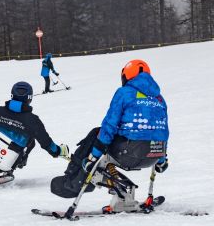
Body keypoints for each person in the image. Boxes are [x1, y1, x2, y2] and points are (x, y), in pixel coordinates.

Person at [50, 59, 169, 213]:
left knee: (96, 134)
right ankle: (123, 194)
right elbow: (162, 130)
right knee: (108, 138)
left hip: (130, 152)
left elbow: (110, 124)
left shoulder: (124, 93)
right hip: (153, 154)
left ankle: (74, 179)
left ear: (126, 76)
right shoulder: (160, 99)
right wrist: (161, 159)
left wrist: (94, 156)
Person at [0, 81, 69, 186]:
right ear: (30, 98)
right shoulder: (33, 120)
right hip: (7, 161)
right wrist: (57, 151)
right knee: (31, 141)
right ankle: (17, 163)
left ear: (12, 95)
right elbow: (45, 142)